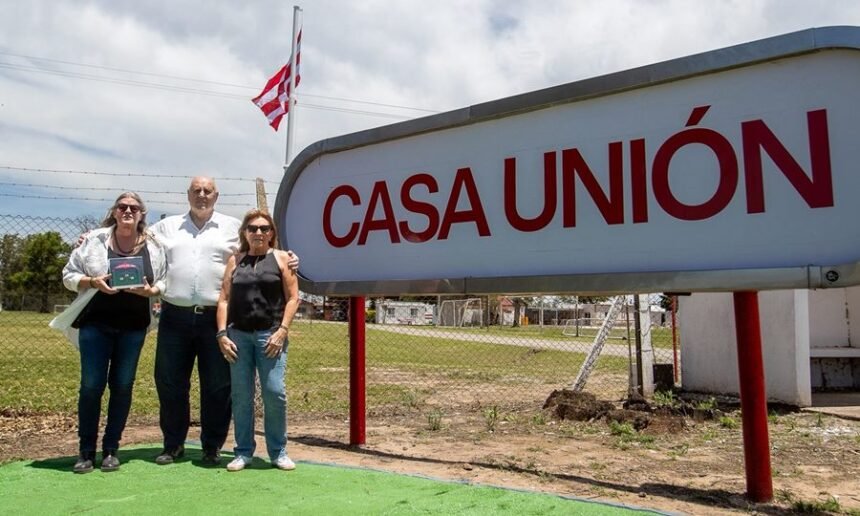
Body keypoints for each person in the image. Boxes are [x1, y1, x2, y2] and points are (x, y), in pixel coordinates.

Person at [148, 177, 298, 466]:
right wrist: (94, 237)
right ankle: (173, 444)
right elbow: (136, 236)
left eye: (207, 191)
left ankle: (212, 446)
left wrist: (291, 258)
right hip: (174, 316)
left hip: (214, 320)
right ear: (188, 194)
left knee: (218, 387)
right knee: (170, 383)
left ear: (216, 195)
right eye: (196, 191)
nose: (202, 195)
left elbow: (269, 252)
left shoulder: (232, 227)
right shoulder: (166, 227)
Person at [51, 192, 166, 473]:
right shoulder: (94, 240)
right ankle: (86, 451)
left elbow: (164, 279)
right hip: (95, 325)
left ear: (141, 214)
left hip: (133, 327)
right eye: (122, 207)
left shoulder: (154, 245)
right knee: (91, 386)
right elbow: (69, 275)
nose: (128, 211)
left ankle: (111, 448)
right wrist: (92, 282)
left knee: (123, 386)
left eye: (134, 208)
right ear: (115, 212)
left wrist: (152, 290)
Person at [216, 209, 299, 471]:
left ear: (272, 233)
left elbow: (293, 298)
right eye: (252, 228)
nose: (258, 233)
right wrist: (221, 334)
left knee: (274, 393)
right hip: (238, 336)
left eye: (264, 228)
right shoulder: (235, 260)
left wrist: (282, 330)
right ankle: (243, 451)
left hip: (270, 336)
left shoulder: (283, 259)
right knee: (241, 395)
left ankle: (278, 451)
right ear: (244, 233)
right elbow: (224, 299)